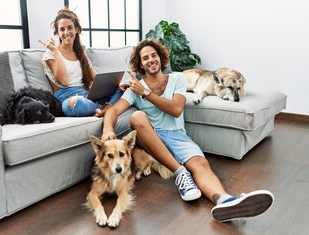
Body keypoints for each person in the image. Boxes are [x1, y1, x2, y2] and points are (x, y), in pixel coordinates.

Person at [101, 38, 274, 222]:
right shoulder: (135, 88)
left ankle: (225, 201)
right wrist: (107, 128)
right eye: (145, 58)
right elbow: (113, 110)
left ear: (160, 58)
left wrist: (146, 93)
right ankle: (180, 174)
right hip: (152, 136)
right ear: (141, 65)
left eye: (154, 55)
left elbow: (176, 109)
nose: (151, 60)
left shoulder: (176, 78)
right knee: (137, 117)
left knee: (200, 164)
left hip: (177, 136)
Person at [39, 7, 122, 117]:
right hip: (68, 98)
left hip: (88, 95)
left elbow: (96, 78)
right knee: (75, 104)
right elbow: (65, 82)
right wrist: (55, 50)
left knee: (127, 89)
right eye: (62, 29)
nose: (66, 32)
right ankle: (105, 107)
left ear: (76, 29)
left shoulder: (81, 52)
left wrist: (116, 85)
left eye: (70, 28)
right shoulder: (50, 54)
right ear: (57, 33)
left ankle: (103, 107)